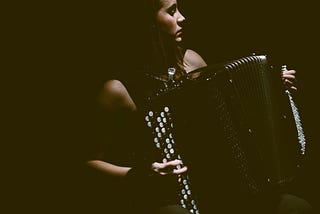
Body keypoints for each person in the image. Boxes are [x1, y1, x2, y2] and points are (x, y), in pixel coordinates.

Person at [84, 0, 312, 213]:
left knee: (297, 207)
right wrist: (139, 175)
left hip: (223, 187)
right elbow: (85, 163)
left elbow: (233, 116)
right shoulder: (116, 90)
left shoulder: (192, 61)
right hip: (166, 199)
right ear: (147, 23)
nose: (182, 18)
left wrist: (272, 84)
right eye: (171, 11)